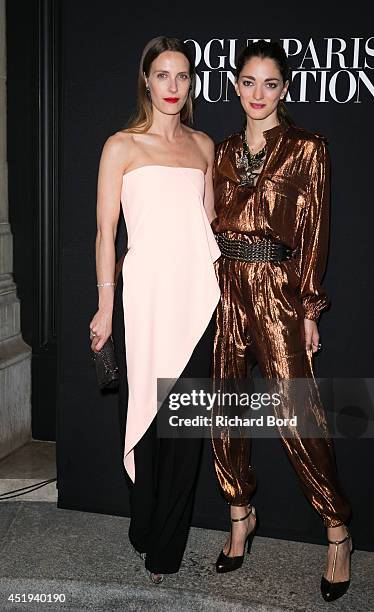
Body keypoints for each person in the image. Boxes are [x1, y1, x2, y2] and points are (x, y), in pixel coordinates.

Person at [210, 40, 353, 602]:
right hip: (225, 289)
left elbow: (316, 234)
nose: (258, 94)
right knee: (224, 409)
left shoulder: (307, 148)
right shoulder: (220, 152)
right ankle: (240, 515)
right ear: (236, 85)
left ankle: (337, 531)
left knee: (297, 413)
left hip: (278, 292)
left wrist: (310, 308)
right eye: (248, 82)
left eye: (270, 84)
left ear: (285, 90)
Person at [89, 36, 220, 584]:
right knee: (147, 417)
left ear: (191, 84)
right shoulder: (121, 146)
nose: (174, 86)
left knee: (185, 430)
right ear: (146, 80)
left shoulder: (204, 146)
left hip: (196, 299)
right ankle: (144, 525)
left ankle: (165, 546)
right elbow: (105, 233)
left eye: (183, 76)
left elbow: (208, 227)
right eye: (163, 75)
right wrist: (104, 308)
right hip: (143, 299)